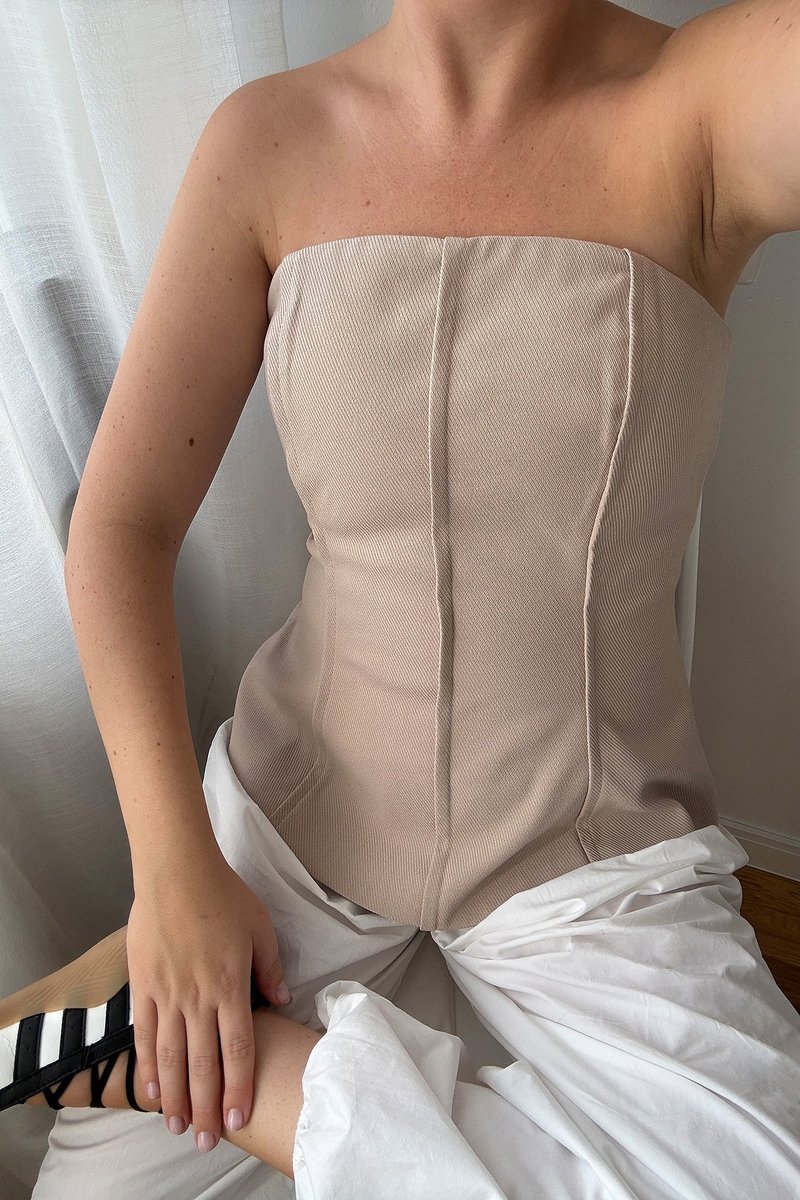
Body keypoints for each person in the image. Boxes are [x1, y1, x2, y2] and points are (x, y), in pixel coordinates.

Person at [2, 1, 800, 1196]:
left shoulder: (705, 101)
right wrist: (173, 870)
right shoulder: (264, 139)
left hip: (591, 857)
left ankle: (230, 1076)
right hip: (296, 830)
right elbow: (121, 525)